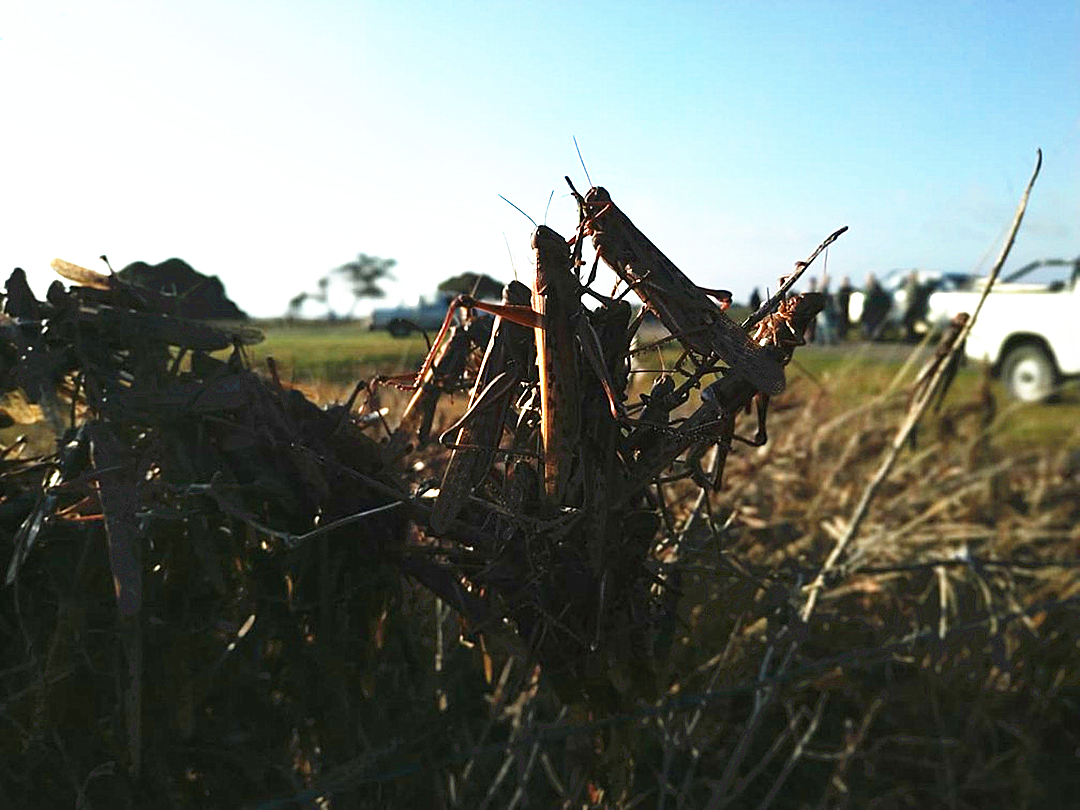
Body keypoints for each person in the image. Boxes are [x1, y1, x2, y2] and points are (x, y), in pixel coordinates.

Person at [861, 273, 890, 340]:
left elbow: (885, 305)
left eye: (869, 280)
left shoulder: (879, 292)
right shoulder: (865, 291)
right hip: (868, 317)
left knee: (875, 335)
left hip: (877, 317)